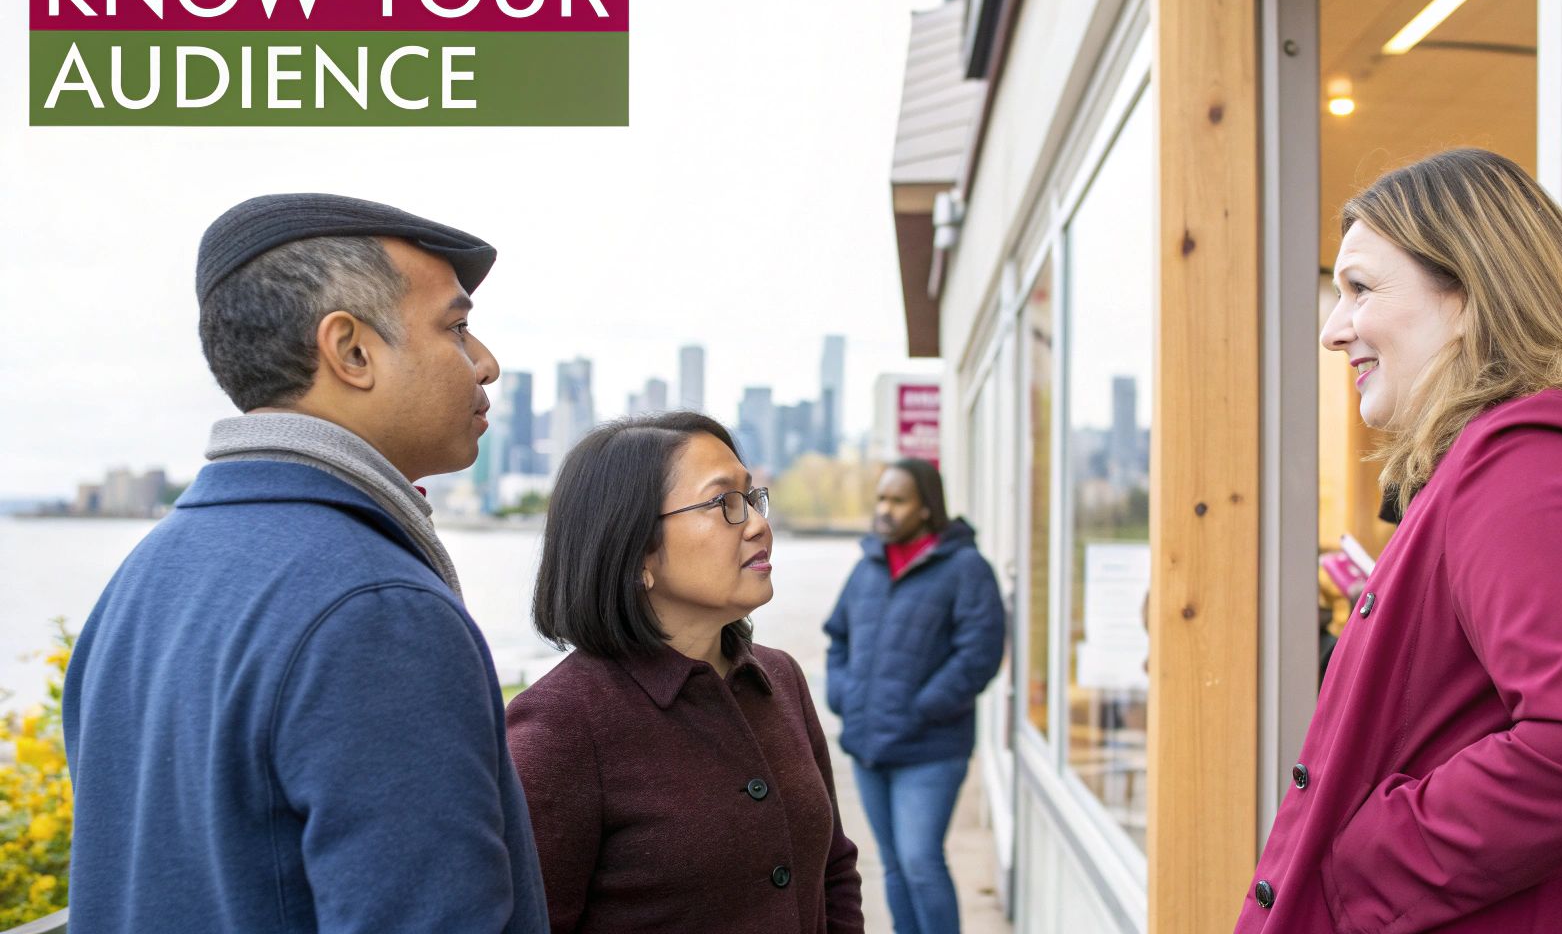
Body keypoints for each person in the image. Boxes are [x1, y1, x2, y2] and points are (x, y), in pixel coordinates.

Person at [1239, 149, 1562, 933]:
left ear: (1471, 295)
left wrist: (1363, 864)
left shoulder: (1533, 464)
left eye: (1360, 288)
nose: (1335, 331)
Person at [63, 194, 547, 932]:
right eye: (456, 326)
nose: (486, 363)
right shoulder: (375, 608)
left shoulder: (142, 581)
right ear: (350, 350)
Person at [506, 412, 862, 934]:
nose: (760, 525)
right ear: (634, 551)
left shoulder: (780, 678)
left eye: (753, 497)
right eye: (724, 504)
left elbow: (833, 869)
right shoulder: (561, 727)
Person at [824, 458, 1006, 934]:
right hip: (869, 747)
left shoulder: (966, 568)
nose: (884, 509)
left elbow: (980, 654)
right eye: (881, 498)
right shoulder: (869, 566)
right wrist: (843, 694)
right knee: (893, 866)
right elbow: (838, 636)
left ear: (926, 508)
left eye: (897, 500)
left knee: (921, 863)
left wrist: (922, 708)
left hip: (930, 750)